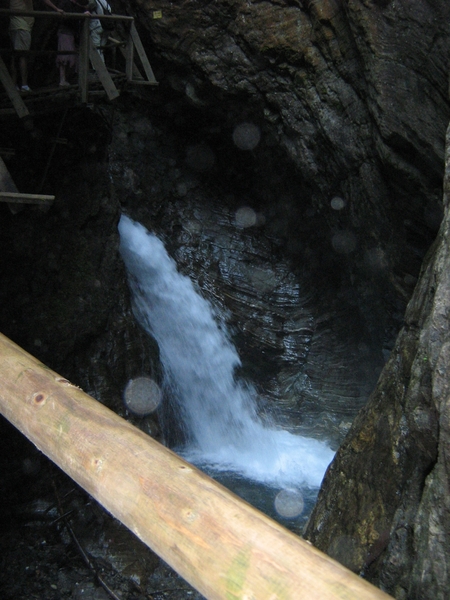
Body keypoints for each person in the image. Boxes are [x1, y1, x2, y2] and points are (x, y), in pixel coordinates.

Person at [43, 0, 90, 86]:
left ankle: (69, 78)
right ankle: (62, 79)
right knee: (64, 56)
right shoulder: (65, 3)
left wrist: (84, 12)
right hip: (65, 32)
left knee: (71, 56)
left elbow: (79, 9)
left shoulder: (75, 5)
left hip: (72, 33)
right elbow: (68, 16)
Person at [9, 0, 35, 92]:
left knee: (16, 55)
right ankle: (23, 85)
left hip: (17, 24)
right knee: (22, 55)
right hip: (21, 25)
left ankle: (14, 84)